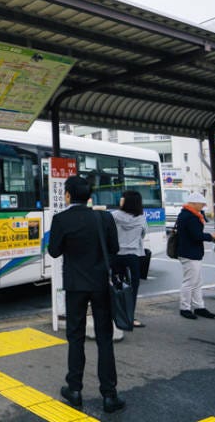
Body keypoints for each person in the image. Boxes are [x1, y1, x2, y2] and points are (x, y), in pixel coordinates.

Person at [48, 175, 125, 414]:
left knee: (75, 337)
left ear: (68, 195)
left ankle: (75, 389)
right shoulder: (104, 217)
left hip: (75, 286)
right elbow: (114, 248)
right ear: (90, 196)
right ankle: (110, 395)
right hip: (101, 284)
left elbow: (53, 251)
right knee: (104, 338)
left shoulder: (61, 219)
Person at [176, 191, 215, 319]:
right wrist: (212, 236)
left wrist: (201, 215)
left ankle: (199, 306)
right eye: (201, 204)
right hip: (190, 253)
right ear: (194, 203)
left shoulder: (189, 214)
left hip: (190, 252)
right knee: (190, 282)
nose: (203, 207)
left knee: (196, 281)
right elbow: (197, 236)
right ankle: (185, 308)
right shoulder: (190, 216)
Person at [111, 190, 148, 328]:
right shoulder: (141, 218)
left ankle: (115, 315)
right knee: (132, 288)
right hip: (133, 257)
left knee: (115, 286)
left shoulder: (114, 216)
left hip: (116, 255)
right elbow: (143, 234)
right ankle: (130, 317)